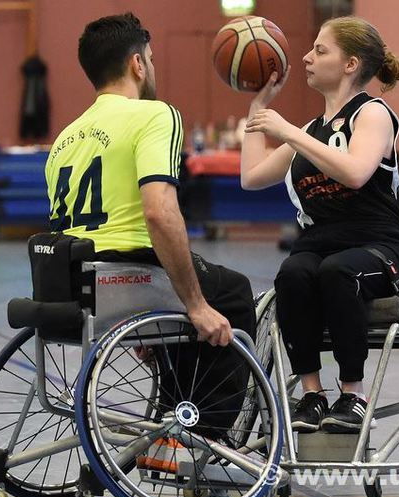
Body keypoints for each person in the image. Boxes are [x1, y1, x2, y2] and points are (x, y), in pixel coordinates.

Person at [46, 13, 256, 452]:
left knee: (185, 293)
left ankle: (171, 417)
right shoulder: (154, 115)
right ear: (138, 64)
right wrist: (195, 305)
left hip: (70, 282)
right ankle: (205, 442)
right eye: (152, 59)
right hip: (124, 273)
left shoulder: (65, 138)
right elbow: (159, 213)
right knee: (231, 293)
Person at [241, 16, 399, 433]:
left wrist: (288, 132)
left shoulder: (373, 114)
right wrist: (257, 109)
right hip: (319, 242)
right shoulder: (309, 130)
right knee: (293, 273)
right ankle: (312, 394)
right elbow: (251, 177)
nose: (306, 57)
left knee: (338, 271)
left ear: (350, 64)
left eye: (320, 50)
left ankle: (353, 394)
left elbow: (355, 173)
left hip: (377, 244)